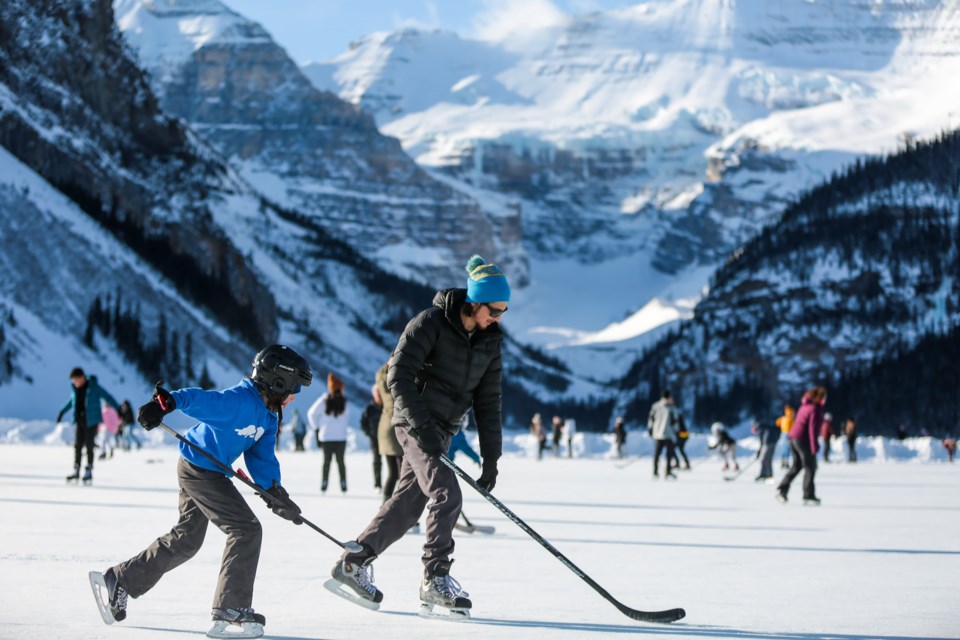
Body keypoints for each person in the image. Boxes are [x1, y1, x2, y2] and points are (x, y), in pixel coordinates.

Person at [326, 254, 509, 619]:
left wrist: (491, 459)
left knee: (409, 502)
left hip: (443, 429)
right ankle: (435, 578)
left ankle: (353, 563)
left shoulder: (490, 342)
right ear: (475, 303)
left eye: (503, 313)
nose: (497, 319)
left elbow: (489, 403)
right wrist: (421, 425)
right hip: (414, 422)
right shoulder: (430, 322)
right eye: (494, 310)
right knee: (446, 491)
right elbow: (398, 376)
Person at [92, 344, 311, 638]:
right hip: (199, 469)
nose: (294, 396)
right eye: (294, 387)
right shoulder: (237, 401)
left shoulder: (269, 417)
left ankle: (120, 579)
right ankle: (231, 608)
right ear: (277, 381)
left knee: (186, 540)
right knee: (246, 530)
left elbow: (261, 459)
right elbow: (198, 399)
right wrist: (163, 404)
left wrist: (275, 493)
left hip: (210, 470)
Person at [57, 368, 120, 484]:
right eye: (73, 380)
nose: (75, 382)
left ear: (82, 377)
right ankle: (76, 470)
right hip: (79, 421)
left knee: (89, 445)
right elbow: (71, 402)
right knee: (77, 446)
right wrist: (62, 412)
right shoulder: (75, 389)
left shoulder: (93, 387)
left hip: (91, 421)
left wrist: (119, 409)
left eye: (76, 380)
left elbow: (107, 397)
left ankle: (89, 470)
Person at [777, 386, 827, 506]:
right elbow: (812, 429)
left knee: (797, 465)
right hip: (802, 440)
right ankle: (808, 495)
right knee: (810, 466)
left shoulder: (805, 406)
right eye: (824, 397)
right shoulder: (814, 409)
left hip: (793, 438)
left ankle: (782, 489)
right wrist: (814, 446)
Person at [308, 373, 350, 493]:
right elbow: (346, 417)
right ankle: (343, 483)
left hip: (326, 437)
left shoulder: (324, 400)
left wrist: (317, 427)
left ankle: (324, 483)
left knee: (326, 462)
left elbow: (311, 414)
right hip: (341, 437)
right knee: (341, 462)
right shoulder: (344, 402)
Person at [374, 361, 403, 500]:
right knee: (402, 474)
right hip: (395, 428)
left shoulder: (380, 378)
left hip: (384, 426)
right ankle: (399, 509)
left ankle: (386, 505)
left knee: (394, 473)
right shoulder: (395, 380)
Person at [648, 390, 678, 479]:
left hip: (658, 433)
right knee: (669, 454)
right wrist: (676, 432)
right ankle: (668, 471)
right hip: (668, 434)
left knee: (657, 453)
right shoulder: (671, 408)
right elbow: (675, 422)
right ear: (669, 397)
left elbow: (651, 419)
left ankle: (655, 471)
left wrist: (651, 429)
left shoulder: (655, 406)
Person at [360, 386, 383, 490]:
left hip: (386, 439)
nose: (378, 395)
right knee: (377, 461)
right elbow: (363, 422)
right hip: (374, 438)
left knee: (392, 462)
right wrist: (369, 433)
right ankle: (378, 483)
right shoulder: (369, 408)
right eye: (376, 392)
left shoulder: (386, 407)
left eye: (380, 392)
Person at [776, 404, 796, 469]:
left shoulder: (784, 418)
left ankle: (784, 462)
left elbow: (777, 423)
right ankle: (785, 462)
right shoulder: (789, 418)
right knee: (787, 448)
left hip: (785, 433)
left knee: (785, 448)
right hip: (788, 433)